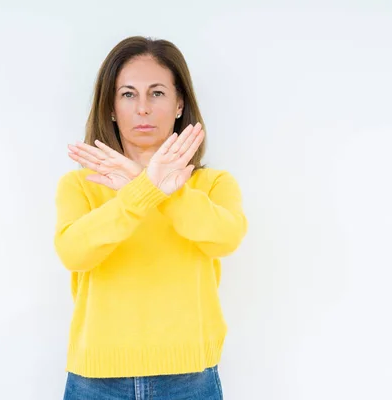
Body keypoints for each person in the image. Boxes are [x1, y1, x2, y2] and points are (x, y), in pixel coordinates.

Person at [54, 36, 248, 399]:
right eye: (128, 94)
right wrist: (141, 192)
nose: (142, 108)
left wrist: (163, 190)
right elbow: (73, 253)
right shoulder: (80, 185)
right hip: (95, 381)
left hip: (189, 379)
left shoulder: (212, 184)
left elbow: (225, 237)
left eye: (157, 93)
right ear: (110, 108)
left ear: (179, 104)